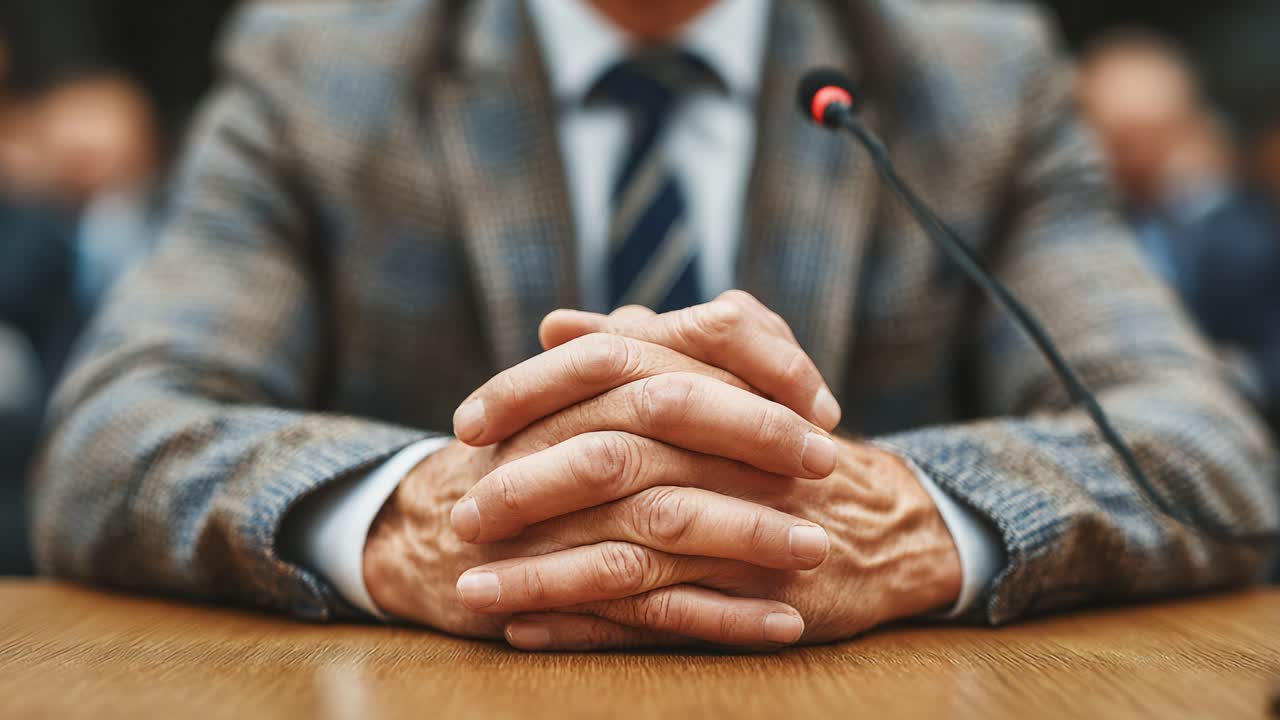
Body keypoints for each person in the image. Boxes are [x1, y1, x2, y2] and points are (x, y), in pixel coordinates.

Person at [29, 0, 1278, 651]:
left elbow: (1204, 446)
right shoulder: (313, 68)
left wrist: (895, 520)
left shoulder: (981, 75)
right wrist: (432, 517)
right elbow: (105, 436)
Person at [1077, 31, 1280, 431]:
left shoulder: (1241, 235)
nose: (1132, 154)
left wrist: (1226, 374)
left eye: (1147, 133)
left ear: (1185, 127)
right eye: (1114, 136)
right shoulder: (1064, 226)